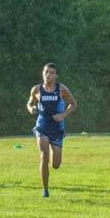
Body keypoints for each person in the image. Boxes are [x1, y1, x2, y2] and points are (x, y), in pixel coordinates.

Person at [27, 62, 77, 197]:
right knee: (44, 157)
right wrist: (31, 108)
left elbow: (73, 104)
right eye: (46, 72)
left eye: (52, 73)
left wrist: (62, 115)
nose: (48, 75)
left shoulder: (62, 89)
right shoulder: (36, 90)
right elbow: (30, 103)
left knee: (55, 164)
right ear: (43, 74)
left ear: (56, 76)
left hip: (57, 128)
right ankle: (45, 190)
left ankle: (53, 146)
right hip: (42, 126)